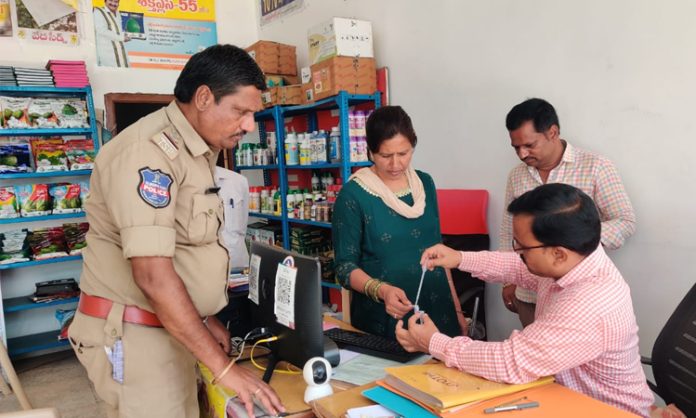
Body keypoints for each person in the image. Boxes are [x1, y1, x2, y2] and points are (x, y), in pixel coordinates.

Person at [68, 45, 284, 418]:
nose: (249, 125)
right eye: (241, 111)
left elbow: (184, 250)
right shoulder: (147, 153)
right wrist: (225, 368)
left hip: (169, 328)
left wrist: (203, 319)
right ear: (203, 97)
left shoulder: (196, 152)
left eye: (253, 114)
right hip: (136, 337)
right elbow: (152, 275)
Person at [396, 183, 653, 418]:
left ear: (558, 254)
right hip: (563, 396)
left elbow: (511, 362)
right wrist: (460, 258)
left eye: (522, 248)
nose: (516, 253)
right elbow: (519, 268)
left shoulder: (590, 303)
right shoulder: (579, 253)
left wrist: (434, 343)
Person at [332, 105, 465, 340]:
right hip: (386, 316)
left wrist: (457, 311)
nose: (396, 165)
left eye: (403, 154)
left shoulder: (424, 184)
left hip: (438, 310)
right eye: (385, 156)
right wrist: (382, 291)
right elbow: (344, 268)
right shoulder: (353, 195)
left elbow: (439, 252)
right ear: (370, 152)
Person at [500, 98, 636, 326]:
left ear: (553, 132)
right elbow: (508, 231)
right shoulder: (517, 175)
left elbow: (625, 221)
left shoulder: (595, 167)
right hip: (528, 295)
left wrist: (575, 236)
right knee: (535, 358)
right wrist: (507, 281)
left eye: (529, 145)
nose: (522, 154)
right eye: (516, 147)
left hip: (578, 298)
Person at [215, 166, 250, 269]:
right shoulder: (186, 183)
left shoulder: (238, 181)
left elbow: (243, 225)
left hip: (238, 264)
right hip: (205, 271)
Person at [93, 0, 130, 67]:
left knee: (125, 74)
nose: (113, 4)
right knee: (110, 75)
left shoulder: (118, 13)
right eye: (110, 1)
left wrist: (124, 35)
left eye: (116, 2)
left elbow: (117, 31)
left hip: (121, 53)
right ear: (105, 1)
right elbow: (101, 30)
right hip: (108, 55)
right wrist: (121, 38)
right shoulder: (99, 12)